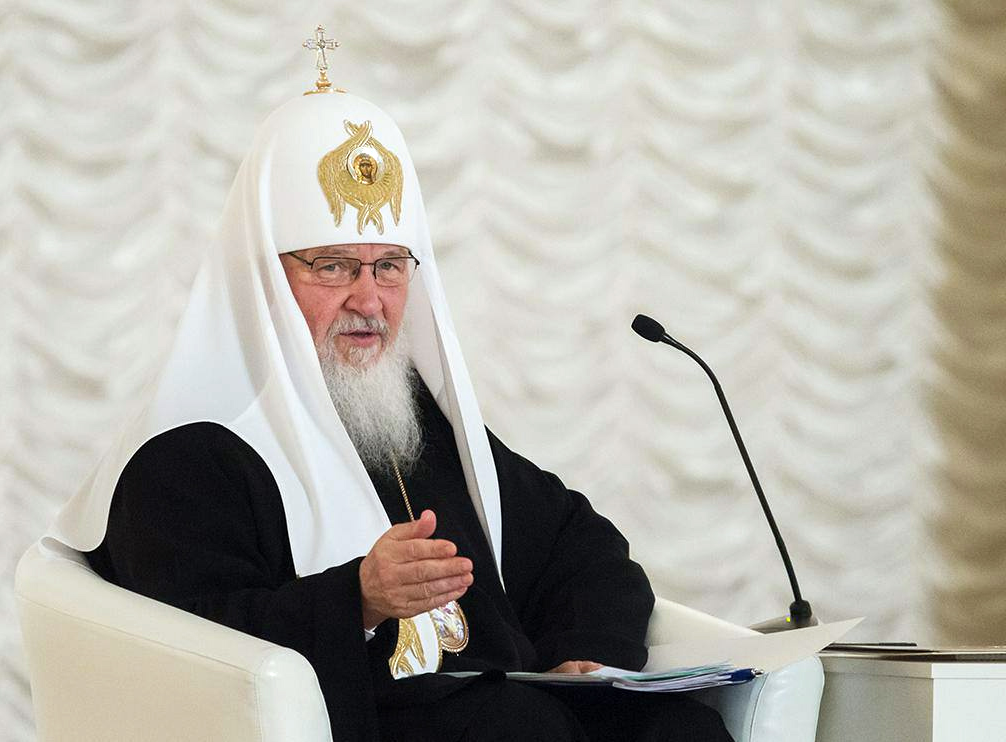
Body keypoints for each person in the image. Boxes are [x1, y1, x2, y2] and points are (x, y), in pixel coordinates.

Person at [45, 49, 734, 742]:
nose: (369, 299)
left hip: (509, 717)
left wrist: (585, 651)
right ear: (263, 283)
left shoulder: (407, 421)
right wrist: (358, 598)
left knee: (681, 729)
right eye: (333, 266)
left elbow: (579, 545)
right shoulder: (189, 454)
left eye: (390, 267)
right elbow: (194, 649)